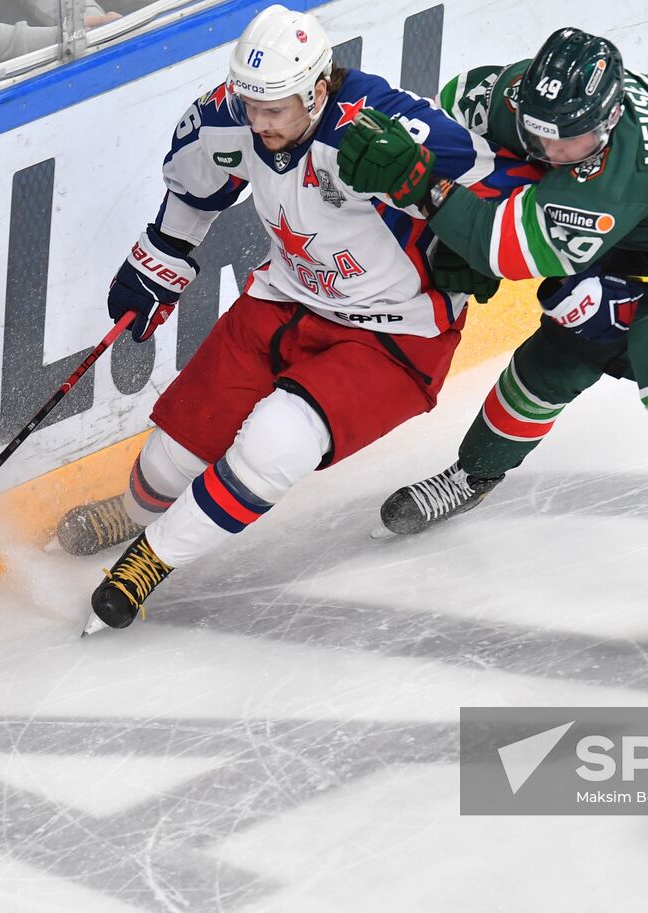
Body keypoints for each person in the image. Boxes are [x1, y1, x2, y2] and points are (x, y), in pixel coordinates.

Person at [335, 27, 648, 645]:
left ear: (611, 114)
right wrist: (466, 194)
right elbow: (460, 103)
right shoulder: (533, 104)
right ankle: (475, 473)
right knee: (567, 342)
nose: (553, 145)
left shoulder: (625, 168)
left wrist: (427, 192)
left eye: (572, 137)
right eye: (541, 130)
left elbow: (514, 249)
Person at [59, 5, 530, 635]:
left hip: (394, 332)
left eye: (274, 108)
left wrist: (470, 242)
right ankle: (134, 510)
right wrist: (163, 254)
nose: (257, 121)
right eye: (250, 103)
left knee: (277, 442)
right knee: (170, 458)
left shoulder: (385, 124)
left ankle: (149, 561)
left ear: (317, 88)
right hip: (285, 299)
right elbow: (196, 187)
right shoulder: (238, 113)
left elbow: (501, 185)